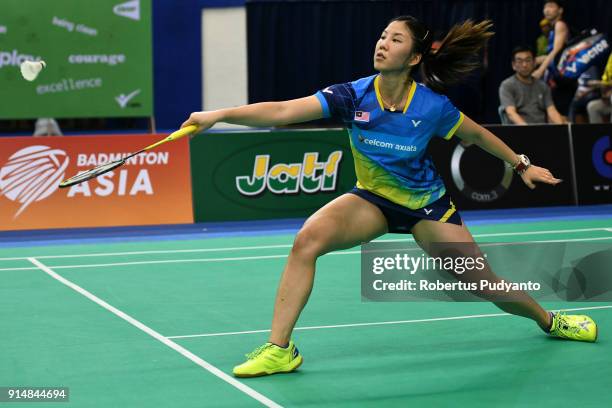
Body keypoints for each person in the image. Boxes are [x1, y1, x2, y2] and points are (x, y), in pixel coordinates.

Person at [182, 16, 598, 378]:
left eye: (395, 39)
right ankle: (280, 349)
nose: (382, 43)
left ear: (414, 56)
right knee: (307, 240)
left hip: (427, 208)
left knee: (483, 283)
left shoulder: (432, 106)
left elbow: (477, 135)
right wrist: (218, 115)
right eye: (383, 36)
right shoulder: (352, 96)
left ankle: (550, 320)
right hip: (372, 201)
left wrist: (520, 164)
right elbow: (281, 112)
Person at [499, 46, 565, 125]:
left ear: (534, 63)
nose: (524, 65)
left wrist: (562, 128)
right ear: (513, 65)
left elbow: (551, 110)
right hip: (518, 131)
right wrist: (527, 129)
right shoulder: (507, 85)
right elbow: (511, 113)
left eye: (528, 60)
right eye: (520, 61)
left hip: (542, 130)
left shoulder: (542, 86)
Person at [533, 0, 576, 119]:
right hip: (557, 79)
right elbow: (554, 55)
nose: (546, 10)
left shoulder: (560, 25)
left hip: (564, 79)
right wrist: (535, 61)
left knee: (560, 116)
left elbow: (556, 51)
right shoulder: (552, 29)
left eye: (551, 6)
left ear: (560, 10)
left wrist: (540, 70)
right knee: (555, 115)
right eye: (545, 7)